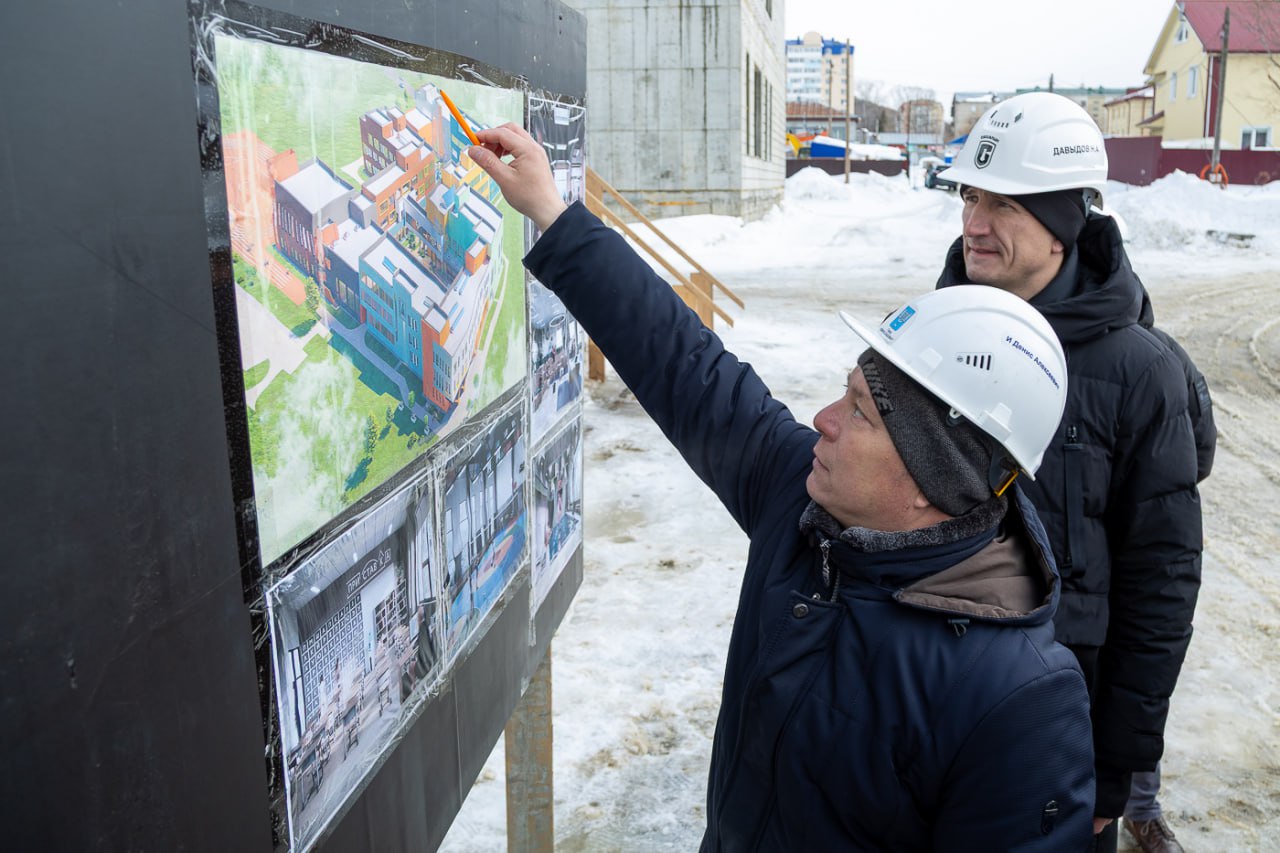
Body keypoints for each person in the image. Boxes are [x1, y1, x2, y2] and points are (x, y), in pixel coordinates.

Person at [469, 124, 1095, 850]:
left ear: (934, 475)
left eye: (860, 412)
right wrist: (555, 215)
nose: (822, 420)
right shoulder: (804, 506)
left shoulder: (1017, 700)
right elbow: (684, 364)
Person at [937, 92, 1214, 853]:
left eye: (1004, 204)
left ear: (1061, 225)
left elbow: (1160, 583)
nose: (974, 223)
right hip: (934, 708)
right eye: (970, 196)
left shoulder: (1140, 373)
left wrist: (1118, 762)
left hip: (1060, 729)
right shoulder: (935, 338)